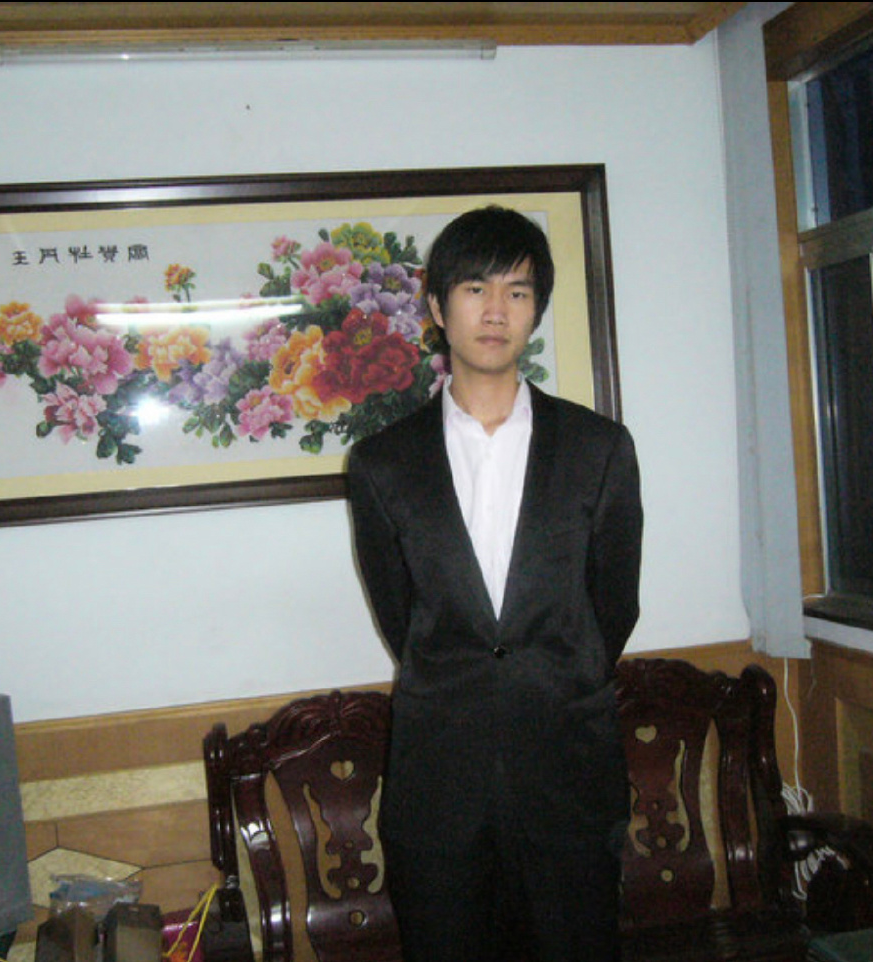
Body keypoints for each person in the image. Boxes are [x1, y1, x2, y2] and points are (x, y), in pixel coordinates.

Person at [347, 205, 644, 962]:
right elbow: (402, 616)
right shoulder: (383, 464)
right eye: (475, 288)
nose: (495, 311)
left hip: (570, 773)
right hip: (438, 781)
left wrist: (553, 674)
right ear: (437, 306)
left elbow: (614, 605)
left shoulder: (600, 449)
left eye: (517, 291)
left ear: (536, 311)